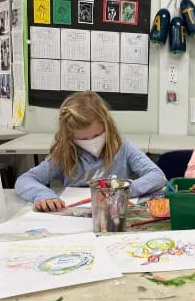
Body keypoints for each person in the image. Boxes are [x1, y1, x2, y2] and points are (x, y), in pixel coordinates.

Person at [15, 91, 166, 212]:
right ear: (70, 137)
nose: (91, 141)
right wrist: (43, 195)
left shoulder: (122, 148)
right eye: (83, 139)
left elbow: (157, 176)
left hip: (114, 215)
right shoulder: (66, 153)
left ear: (107, 126)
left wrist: (125, 189)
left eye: (97, 135)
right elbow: (25, 180)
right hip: (75, 217)